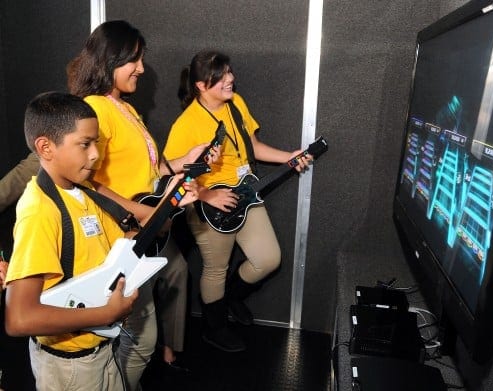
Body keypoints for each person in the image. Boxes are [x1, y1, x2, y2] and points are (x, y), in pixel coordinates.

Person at [66, 21, 216, 388]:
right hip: (121, 233)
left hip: (145, 228)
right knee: (139, 337)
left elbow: (150, 170)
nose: (142, 68)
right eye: (134, 59)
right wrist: (138, 212)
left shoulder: (125, 108)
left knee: (149, 319)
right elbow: (84, 179)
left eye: (142, 59)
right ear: (108, 60)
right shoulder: (96, 109)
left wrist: (185, 161)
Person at [4, 91, 162, 390]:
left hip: (100, 352)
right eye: (85, 144)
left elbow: (116, 243)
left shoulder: (84, 190)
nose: (96, 155)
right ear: (45, 148)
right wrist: (109, 313)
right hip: (69, 369)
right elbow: (19, 318)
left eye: (97, 143)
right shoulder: (39, 210)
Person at [163, 49, 311, 352]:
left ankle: (230, 298)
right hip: (208, 204)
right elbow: (168, 174)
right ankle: (213, 327)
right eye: (221, 77)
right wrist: (206, 194)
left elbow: (251, 147)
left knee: (269, 258)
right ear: (202, 86)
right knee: (215, 268)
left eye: (229, 71)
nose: (231, 79)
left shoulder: (236, 103)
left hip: (244, 192)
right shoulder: (186, 123)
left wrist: (288, 157)